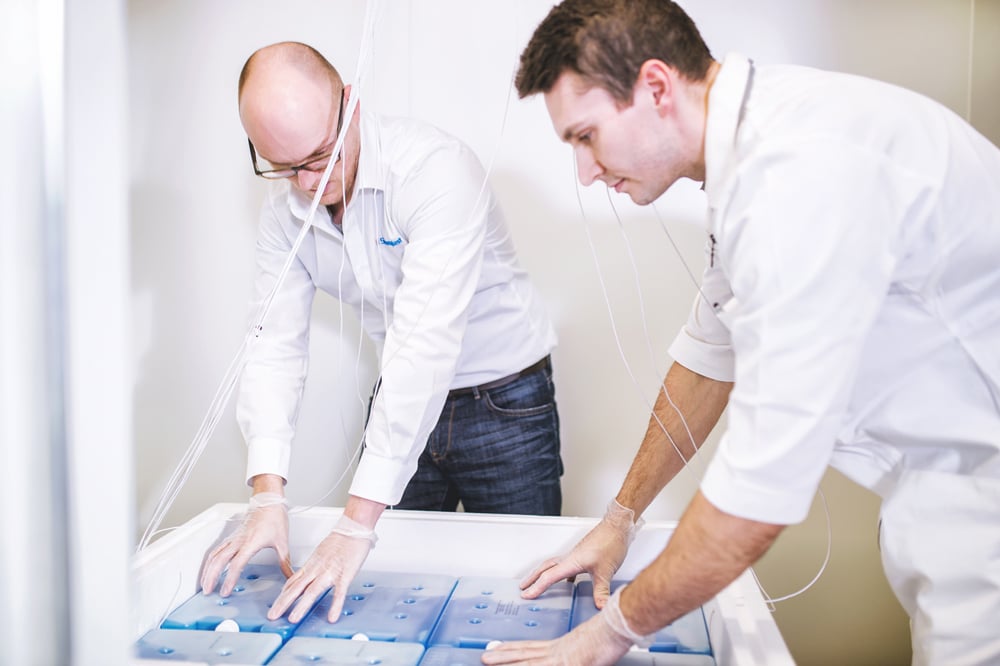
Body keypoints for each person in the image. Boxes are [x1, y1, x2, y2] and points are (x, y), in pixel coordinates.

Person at [482, 1, 1000, 664]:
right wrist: (619, 520)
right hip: (941, 489)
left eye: (586, 137)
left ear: (657, 87)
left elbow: (759, 490)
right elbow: (709, 357)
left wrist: (606, 636)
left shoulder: (796, 177)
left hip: (982, 498)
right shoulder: (757, 148)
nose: (585, 171)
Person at [199, 41, 563, 625]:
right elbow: (273, 345)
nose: (309, 182)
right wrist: (267, 493)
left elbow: (424, 344)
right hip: (399, 392)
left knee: (523, 594)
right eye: (285, 167)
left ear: (351, 105)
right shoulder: (282, 214)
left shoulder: (435, 170)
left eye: (320, 156)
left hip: (505, 403)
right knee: (386, 596)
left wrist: (355, 525)